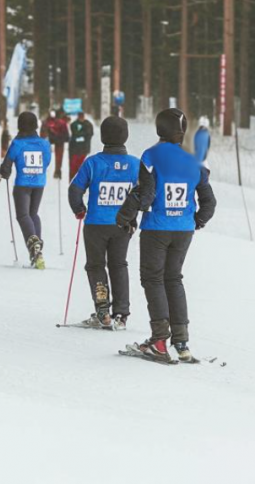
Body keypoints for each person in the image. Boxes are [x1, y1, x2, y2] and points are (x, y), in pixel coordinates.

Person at [116, 108, 217, 363]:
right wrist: (197, 220)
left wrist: (125, 216)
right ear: (181, 133)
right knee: (173, 279)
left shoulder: (151, 156)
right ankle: (181, 342)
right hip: (183, 230)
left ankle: (159, 341)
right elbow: (209, 201)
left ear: (159, 129)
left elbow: (146, 194)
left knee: (153, 279)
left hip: (157, 228)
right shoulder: (193, 161)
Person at [68, 116, 139, 329]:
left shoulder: (93, 163)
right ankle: (121, 315)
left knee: (96, 265)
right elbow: (143, 193)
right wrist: (133, 217)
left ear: (102, 136)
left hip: (96, 224)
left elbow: (75, 189)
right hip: (122, 225)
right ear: (126, 136)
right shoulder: (135, 165)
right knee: (119, 264)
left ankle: (102, 311)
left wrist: (79, 208)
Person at [0, 111, 52, 269]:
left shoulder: (17, 144)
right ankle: (38, 251)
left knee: (23, 215)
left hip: (23, 183)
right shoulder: (44, 143)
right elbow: (47, 161)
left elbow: (7, 164)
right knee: (33, 213)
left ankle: (33, 241)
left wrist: (4, 173)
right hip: (39, 182)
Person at [41, 108, 70, 180]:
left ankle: (57, 170)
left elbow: (66, 135)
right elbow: (42, 134)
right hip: (52, 142)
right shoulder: (46, 122)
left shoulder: (61, 123)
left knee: (58, 157)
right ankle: (55, 170)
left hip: (58, 142)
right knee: (54, 157)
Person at [68, 112, 94, 181]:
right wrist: (82, 136)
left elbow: (89, 134)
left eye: (82, 116)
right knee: (73, 166)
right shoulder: (74, 124)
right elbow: (75, 134)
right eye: (80, 117)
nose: (81, 118)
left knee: (82, 166)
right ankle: (72, 180)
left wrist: (81, 136)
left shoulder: (88, 124)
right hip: (74, 149)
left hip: (83, 149)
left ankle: (81, 181)